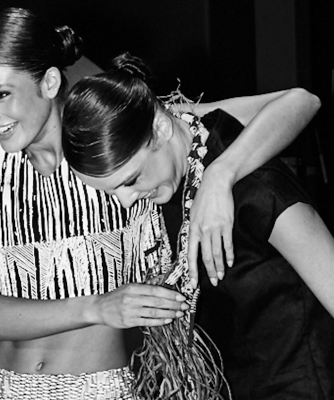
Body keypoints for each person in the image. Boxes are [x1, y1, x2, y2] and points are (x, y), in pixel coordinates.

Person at [0, 7, 322, 400]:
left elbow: (298, 101)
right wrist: (98, 308)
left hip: (106, 388)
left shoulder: (120, 133)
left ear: (50, 81)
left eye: (0, 94)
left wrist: (220, 174)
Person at [61, 52, 334, 400]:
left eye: (130, 180)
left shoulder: (256, 189)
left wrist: (220, 174)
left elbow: (303, 100)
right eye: (111, 190)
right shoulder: (171, 166)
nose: (126, 201)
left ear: (160, 130)